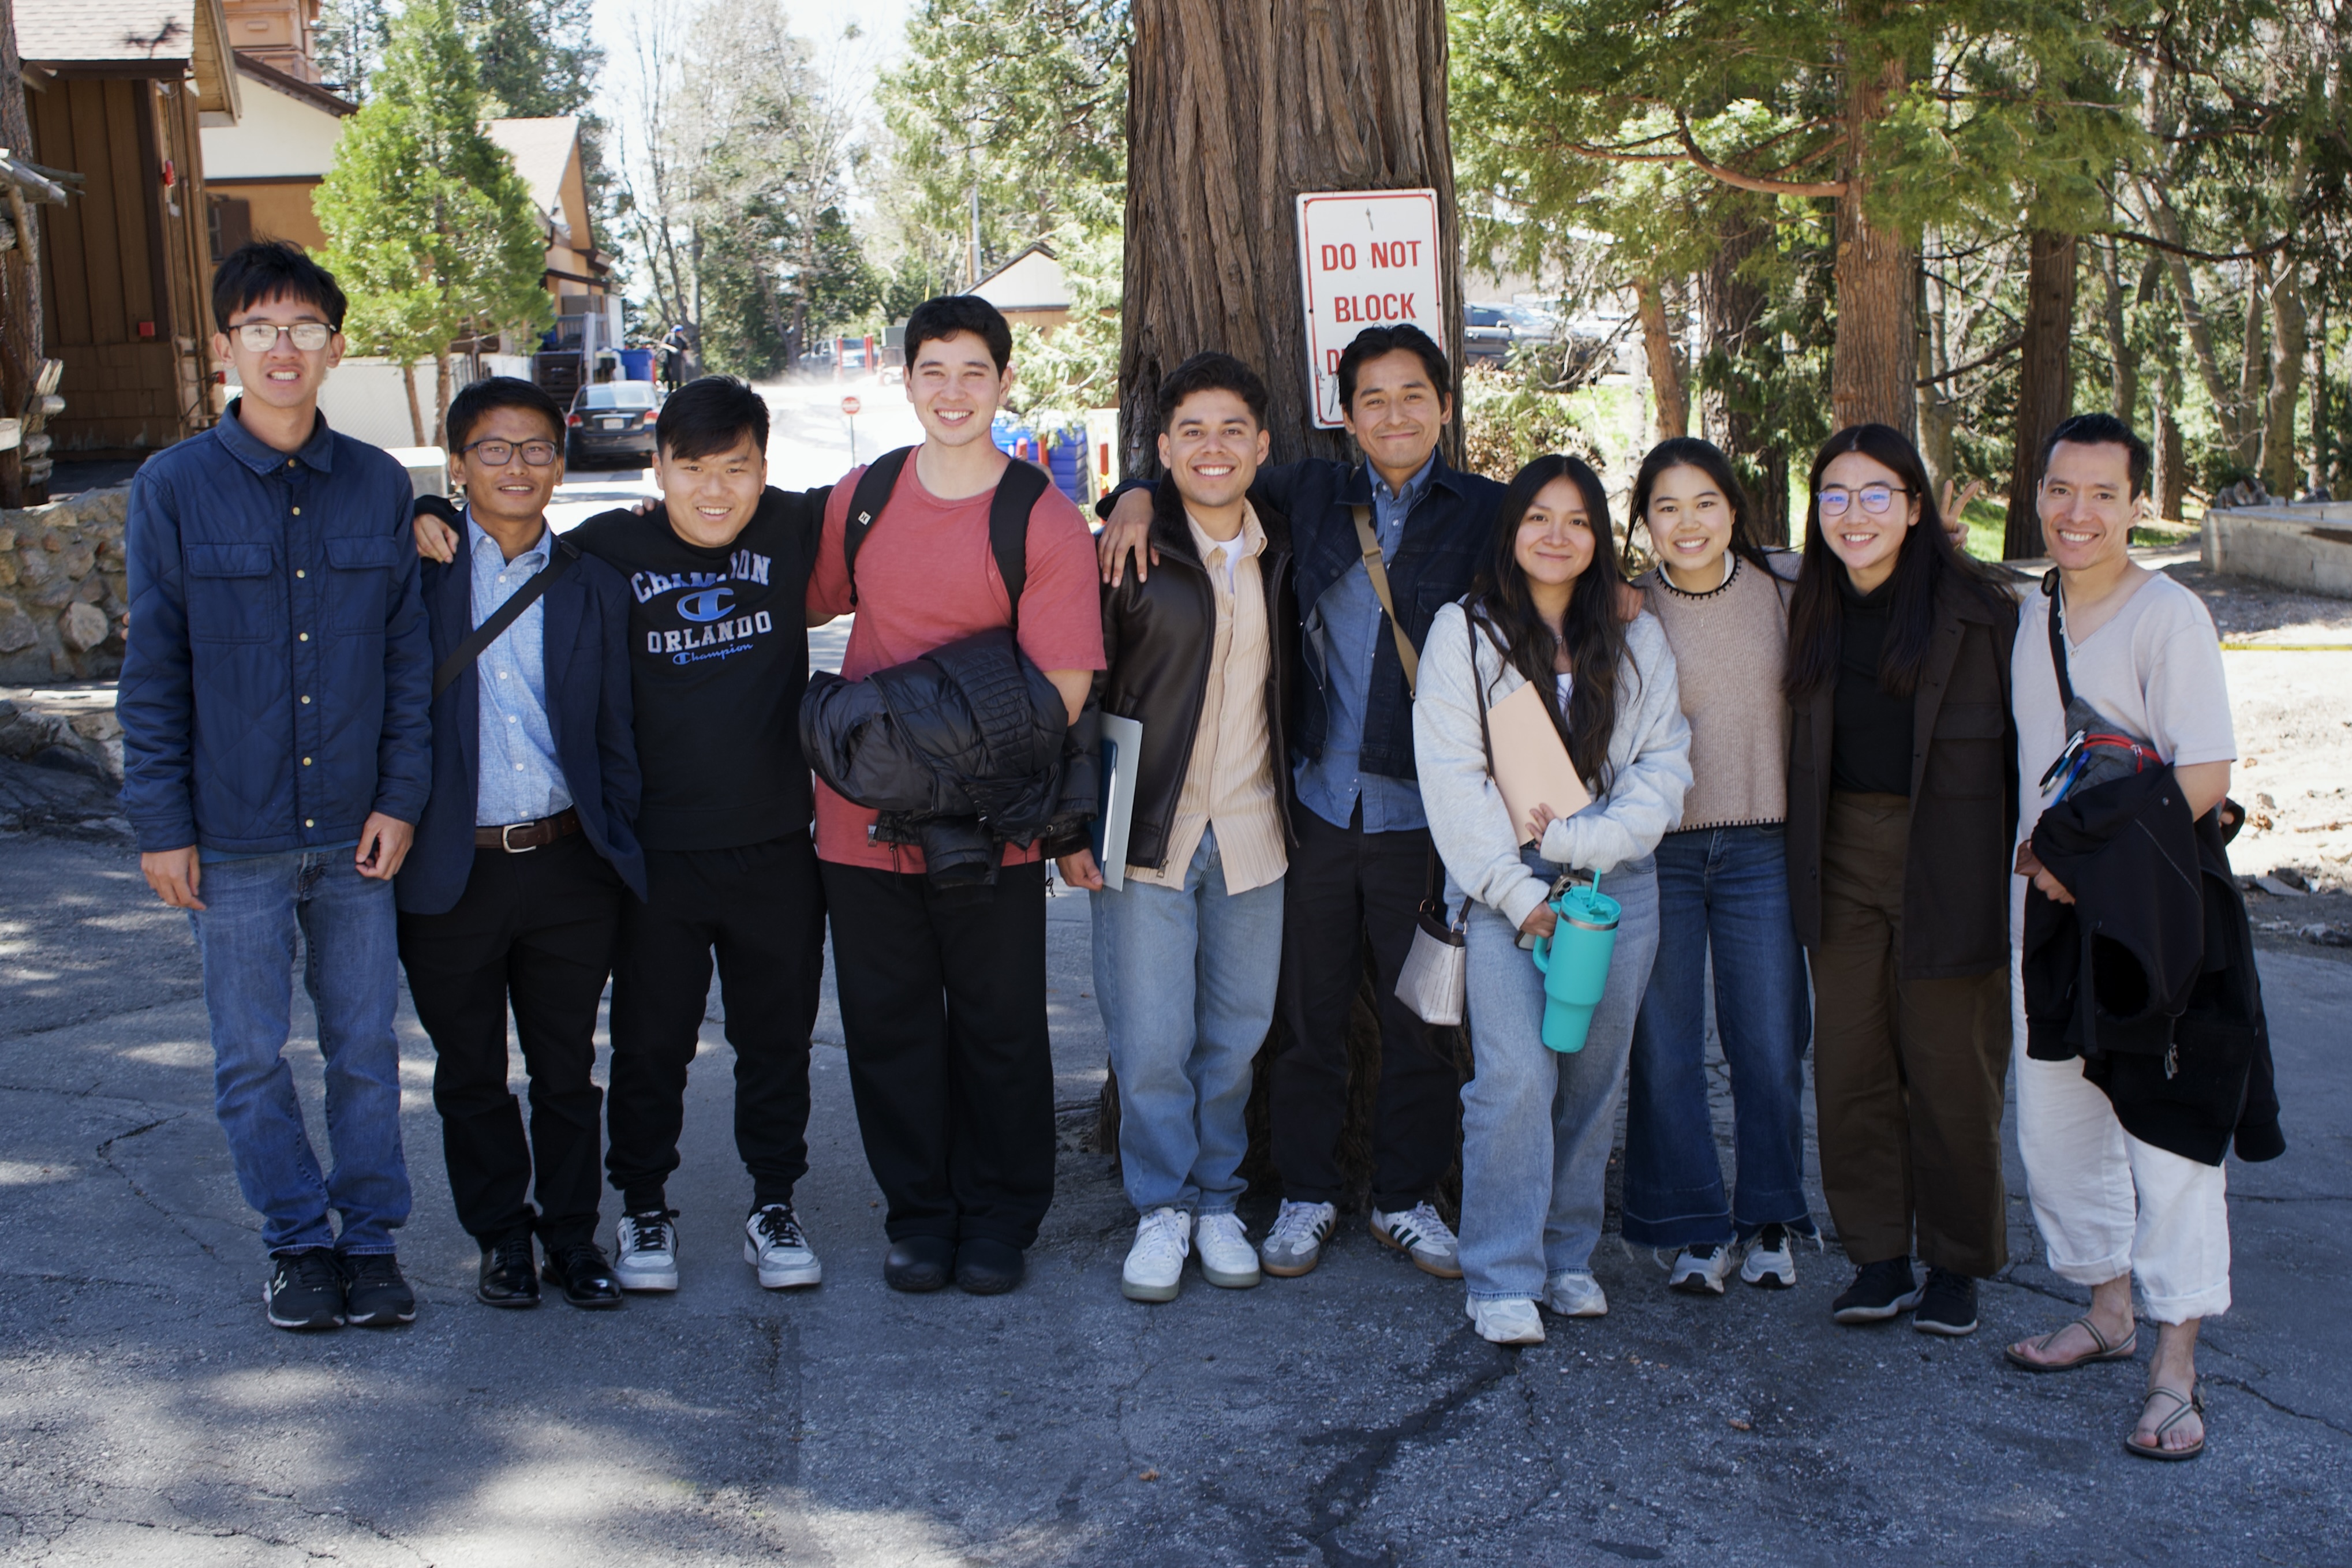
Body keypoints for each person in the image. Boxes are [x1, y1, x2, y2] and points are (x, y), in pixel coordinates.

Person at [1098, 324, 1504, 1282]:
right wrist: (1132, 493)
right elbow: (1198, 481)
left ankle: (1406, 1199)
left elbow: (1558, 566)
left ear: (1445, 407)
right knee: (1305, 1020)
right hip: (1315, 810)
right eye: (1374, 398)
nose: (1395, 414)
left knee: (1420, 1022)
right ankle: (1306, 1194)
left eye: (1414, 396)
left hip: (1427, 818)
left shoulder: (1488, 510)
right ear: (1344, 414)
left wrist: (1620, 595)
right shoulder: (1312, 494)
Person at [414, 375, 831, 1298]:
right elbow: (482, 527)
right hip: (649, 859)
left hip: (773, 848)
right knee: (649, 1046)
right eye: (692, 469)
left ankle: (774, 1200)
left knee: (777, 1041)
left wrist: (1125, 495)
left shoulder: (795, 527)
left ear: (766, 468)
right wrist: (421, 507)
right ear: (658, 468)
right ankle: (643, 1201)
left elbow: (919, 491)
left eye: (738, 468)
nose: (715, 489)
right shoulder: (604, 547)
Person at [119, 241, 430, 1332]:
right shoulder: (172, 489)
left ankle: (374, 1241)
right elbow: (152, 668)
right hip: (232, 832)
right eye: (261, 328)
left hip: (356, 833)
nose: (283, 347)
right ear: (225, 348)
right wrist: (161, 821)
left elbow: (405, 663)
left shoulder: (380, 484)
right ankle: (298, 1241)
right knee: (250, 1056)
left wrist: (401, 796)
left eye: (304, 327)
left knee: (363, 1050)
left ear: (335, 345)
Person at [806, 295, 1104, 1297]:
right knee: (889, 1027)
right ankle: (921, 1214)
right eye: (934, 370)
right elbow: (786, 590)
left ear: (1004, 383)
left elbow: (1061, 691)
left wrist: (916, 748)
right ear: (907, 380)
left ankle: (1001, 1213)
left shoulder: (1040, 517)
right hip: (862, 823)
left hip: (990, 826)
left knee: (999, 1024)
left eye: (974, 371)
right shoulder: (868, 496)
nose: (953, 391)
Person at [2000, 413, 2280, 1460]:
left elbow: (2205, 772)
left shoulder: (2170, 615)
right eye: (2062, 491)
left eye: (2104, 495)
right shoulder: (2036, 611)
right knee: (2058, 1123)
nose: (2080, 514)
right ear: (2039, 496)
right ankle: (2107, 1308)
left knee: (2167, 1134)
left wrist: (2085, 864)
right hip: (2053, 912)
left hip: (2151, 918)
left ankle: (2177, 1366)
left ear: (2135, 504)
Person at [1413, 453, 1691, 1344]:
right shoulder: (1465, 632)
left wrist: (1579, 846)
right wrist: (1516, 887)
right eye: (1538, 517)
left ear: (1599, 538)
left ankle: (1567, 1257)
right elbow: (1452, 782)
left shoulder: (1635, 635)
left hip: (1616, 891)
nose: (1557, 536)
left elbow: (1663, 769)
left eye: (1577, 521)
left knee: (1591, 1076)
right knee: (1516, 1078)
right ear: (1511, 530)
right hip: (1506, 892)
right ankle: (1499, 1270)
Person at [395, 377, 646, 1312]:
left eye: (536, 447)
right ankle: (501, 1237)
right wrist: (414, 512)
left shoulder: (593, 586)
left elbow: (617, 730)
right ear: (457, 464)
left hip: (567, 865)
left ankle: (574, 1237)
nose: (516, 466)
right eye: (493, 449)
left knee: (567, 1069)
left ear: (561, 461)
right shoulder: (412, 573)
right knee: (469, 1073)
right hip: (448, 867)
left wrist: (616, 844)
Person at [1054, 353, 1296, 1303]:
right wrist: (1073, 822)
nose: (1213, 446)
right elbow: (1083, 694)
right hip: (1142, 826)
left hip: (1254, 830)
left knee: (1235, 1034)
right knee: (1151, 1038)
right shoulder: (1130, 551)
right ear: (1162, 447)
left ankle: (1216, 1200)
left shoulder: (1289, 546)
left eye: (1233, 429)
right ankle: (1160, 1208)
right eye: (1191, 430)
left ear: (1264, 445)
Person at [1782, 423, 2019, 1336]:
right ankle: (1878, 1257)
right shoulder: (1806, 603)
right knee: (1851, 1063)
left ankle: (1957, 1264)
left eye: (1877, 492)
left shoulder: (1986, 613)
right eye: (1833, 495)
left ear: (1916, 508)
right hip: (1838, 852)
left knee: (1952, 1065)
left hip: (1948, 855)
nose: (1854, 513)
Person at [1619, 438, 1815, 1294]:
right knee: (1664, 1046)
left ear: (1735, 508)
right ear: (1645, 524)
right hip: (1659, 848)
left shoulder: (1788, 589)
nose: (1688, 522)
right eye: (1667, 507)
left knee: (1769, 1040)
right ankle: (1695, 1226)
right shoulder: (1629, 610)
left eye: (1706, 502)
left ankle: (1769, 1218)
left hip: (1763, 846)